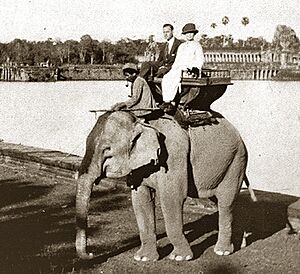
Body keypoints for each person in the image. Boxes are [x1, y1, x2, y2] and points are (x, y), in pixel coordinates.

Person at [161, 23, 204, 103]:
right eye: (187, 33)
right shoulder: (182, 46)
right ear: (185, 34)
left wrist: (196, 68)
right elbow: (177, 60)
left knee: (175, 78)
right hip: (179, 68)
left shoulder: (197, 45)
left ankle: (171, 100)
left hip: (189, 70)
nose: (189, 35)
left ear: (194, 34)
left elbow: (200, 60)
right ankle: (167, 100)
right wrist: (173, 69)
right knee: (166, 77)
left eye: (191, 33)